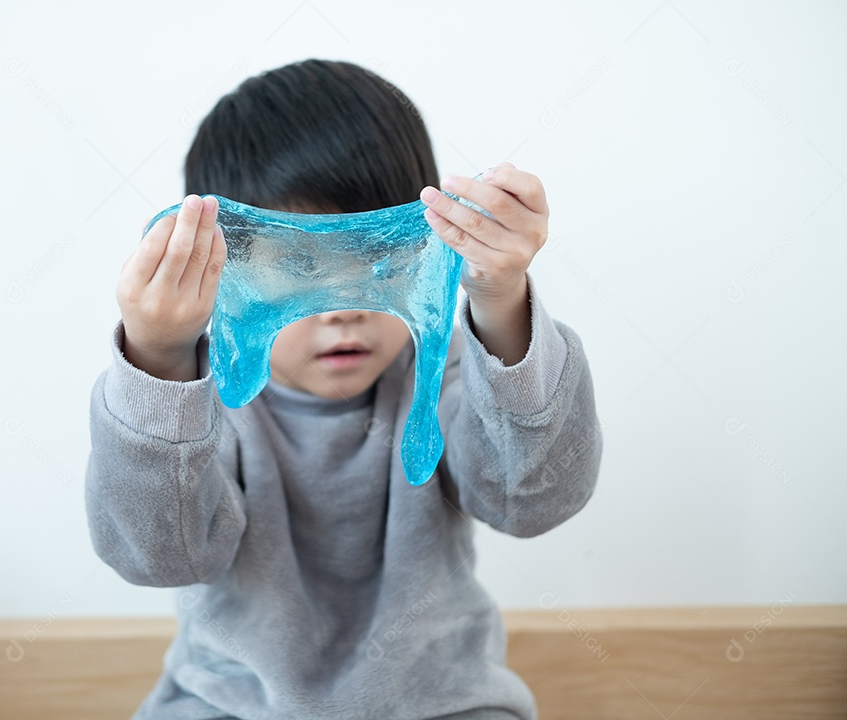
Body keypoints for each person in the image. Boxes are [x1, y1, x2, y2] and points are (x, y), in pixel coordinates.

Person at [84, 58, 603, 720]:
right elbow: (158, 555)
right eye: (301, 264)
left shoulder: (438, 374)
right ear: (226, 270)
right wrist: (157, 357)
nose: (341, 308)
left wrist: (500, 300)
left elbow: (532, 500)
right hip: (230, 704)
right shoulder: (198, 400)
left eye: (375, 256)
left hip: (440, 704)